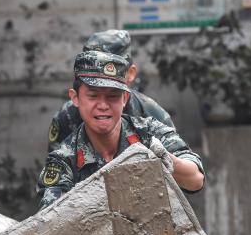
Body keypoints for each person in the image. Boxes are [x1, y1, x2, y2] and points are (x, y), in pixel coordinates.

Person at [37, 50, 204, 211]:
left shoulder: (149, 132)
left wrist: (166, 161)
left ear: (125, 98)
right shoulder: (64, 159)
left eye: (112, 96)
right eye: (93, 96)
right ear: (75, 98)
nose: (103, 106)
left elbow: (196, 180)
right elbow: (52, 223)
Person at [47, 29, 175, 152]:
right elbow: (57, 165)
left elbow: (180, 169)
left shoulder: (153, 116)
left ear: (130, 73)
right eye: (93, 69)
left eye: (112, 68)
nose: (103, 105)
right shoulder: (68, 116)